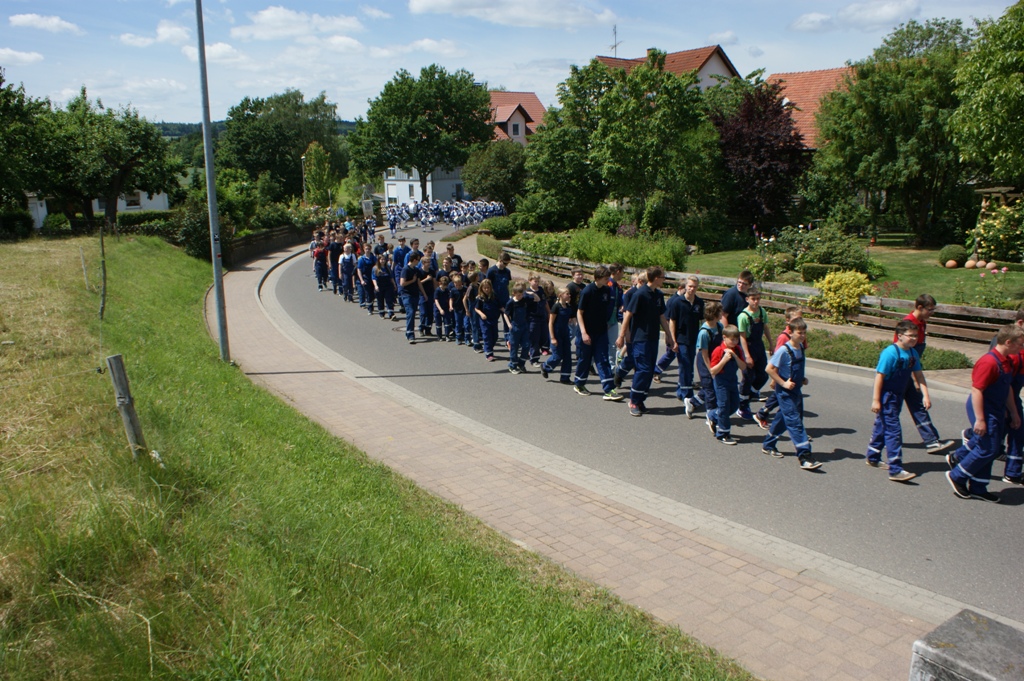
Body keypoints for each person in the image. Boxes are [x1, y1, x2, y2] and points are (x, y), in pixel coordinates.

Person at [946, 324, 1024, 502]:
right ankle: (957, 475)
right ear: (1008, 342)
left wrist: (1014, 413)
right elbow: (977, 391)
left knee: (992, 448)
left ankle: (979, 487)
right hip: (985, 410)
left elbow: (1008, 389)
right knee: (988, 448)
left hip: (997, 409)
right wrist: (980, 419)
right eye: (1020, 344)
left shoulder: (1007, 361)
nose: (1022, 348)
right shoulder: (989, 362)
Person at [865, 319, 932, 483]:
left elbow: (919, 375)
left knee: (882, 425)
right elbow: (879, 377)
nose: (914, 339)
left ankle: (873, 457)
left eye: (916, 336)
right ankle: (895, 469)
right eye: (911, 336)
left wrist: (925, 395)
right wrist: (876, 400)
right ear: (899, 336)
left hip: (898, 395)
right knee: (893, 431)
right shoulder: (890, 353)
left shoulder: (913, 353)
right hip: (887, 396)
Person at [893, 294, 954, 453]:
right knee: (892, 410)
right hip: (901, 373)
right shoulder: (907, 324)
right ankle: (881, 440)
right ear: (920, 307)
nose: (932, 313)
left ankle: (931, 440)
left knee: (917, 405)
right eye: (930, 310)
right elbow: (899, 351)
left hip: (911, 370)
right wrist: (911, 376)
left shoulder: (922, 323)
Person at [761, 318, 821, 470]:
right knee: (795, 422)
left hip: (796, 391)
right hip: (785, 393)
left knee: (783, 419)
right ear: (790, 332)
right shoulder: (784, 350)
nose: (803, 336)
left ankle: (768, 444)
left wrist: (802, 378)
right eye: (799, 333)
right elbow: (769, 369)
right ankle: (805, 456)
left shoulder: (800, 347)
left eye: (804, 333)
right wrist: (783, 383)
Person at [617, 266, 675, 417]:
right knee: (642, 369)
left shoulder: (658, 295)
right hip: (640, 338)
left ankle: (641, 400)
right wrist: (622, 335)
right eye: (663, 277)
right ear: (655, 278)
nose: (664, 280)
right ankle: (634, 401)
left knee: (649, 371)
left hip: (653, 337)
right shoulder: (640, 294)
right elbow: (628, 315)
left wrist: (669, 336)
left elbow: (662, 316)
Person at [655, 276, 704, 415]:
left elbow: (701, 321)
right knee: (685, 366)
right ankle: (687, 394)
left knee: (689, 365)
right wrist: (673, 339)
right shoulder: (677, 302)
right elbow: (672, 321)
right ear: (685, 287)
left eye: (694, 286)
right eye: (690, 286)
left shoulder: (699, 303)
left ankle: (680, 390)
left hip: (692, 338)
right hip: (681, 338)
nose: (692, 289)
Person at [573, 265, 622, 401]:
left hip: (601, 331)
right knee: (585, 359)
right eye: (606, 278)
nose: (608, 280)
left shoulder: (606, 290)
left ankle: (609, 389)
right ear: (598, 278)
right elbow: (579, 312)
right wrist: (584, 333)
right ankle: (579, 384)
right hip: (587, 331)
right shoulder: (587, 291)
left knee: (603, 359)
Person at [755, 306, 807, 430]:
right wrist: (775, 380)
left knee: (781, 400)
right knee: (791, 403)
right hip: (784, 378)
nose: (799, 321)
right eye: (796, 318)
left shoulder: (800, 337)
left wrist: (801, 377)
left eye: (801, 318)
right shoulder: (784, 338)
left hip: (794, 379)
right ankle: (798, 431)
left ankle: (763, 415)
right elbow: (776, 361)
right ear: (788, 321)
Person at [709, 325, 749, 445]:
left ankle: (713, 415)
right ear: (724, 337)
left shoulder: (737, 350)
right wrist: (724, 360)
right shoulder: (718, 351)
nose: (735, 342)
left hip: (732, 381)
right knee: (724, 406)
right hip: (721, 382)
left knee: (734, 405)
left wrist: (735, 356)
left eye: (736, 339)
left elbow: (743, 367)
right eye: (732, 339)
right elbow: (713, 371)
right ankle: (723, 434)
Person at [737, 286, 772, 417]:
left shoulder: (762, 312)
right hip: (748, 346)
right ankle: (742, 405)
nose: (756, 301)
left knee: (763, 375)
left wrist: (771, 344)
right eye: (753, 299)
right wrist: (747, 355)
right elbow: (742, 337)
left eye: (758, 299)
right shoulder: (743, 316)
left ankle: (749, 395)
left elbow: (766, 328)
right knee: (748, 377)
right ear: (747, 299)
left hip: (759, 346)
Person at [695, 302, 724, 425]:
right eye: (720, 312)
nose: (722, 314)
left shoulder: (719, 326)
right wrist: (711, 370)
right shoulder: (704, 333)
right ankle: (711, 416)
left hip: (715, 360)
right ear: (715, 314)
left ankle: (692, 402)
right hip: (705, 362)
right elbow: (704, 354)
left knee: (710, 387)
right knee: (710, 390)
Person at [541, 287, 574, 384]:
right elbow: (551, 323)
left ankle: (565, 377)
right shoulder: (556, 307)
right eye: (567, 294)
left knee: (567, 356)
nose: (569, 295)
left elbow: (571, 318)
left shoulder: (568, 306)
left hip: (565, 334)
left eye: (569, 293)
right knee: (557, 356)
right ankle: (545, 366)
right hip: (556, 334)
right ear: (560, 295)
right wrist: (552, 338)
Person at [504, 281, 536, 373]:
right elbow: (506, 314)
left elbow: (537, 299)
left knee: (526, 345)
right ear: (514, 293)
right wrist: (509, 324)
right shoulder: (511, 302)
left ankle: (521, 363)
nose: (520, 296)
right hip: (515, 327)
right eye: (518, 295)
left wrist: (532, 293)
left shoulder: (525, 299)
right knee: (514, 347)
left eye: (521, 295)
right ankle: (512, 365)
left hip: (524, 326)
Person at [400, 252, 425, 344]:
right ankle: (411, 335)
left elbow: (418, 282)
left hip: (415, 295)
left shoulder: (416, 270)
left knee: (413, 314)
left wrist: (424, 294)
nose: (419, 262)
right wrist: (412, 280)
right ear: (414, 260)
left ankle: (408, 332)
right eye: (418, 260)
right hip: (407, 295)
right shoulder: (405, 269)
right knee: (410, 313)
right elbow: (402, 283)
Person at [475, 279, 503, 361]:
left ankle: (489, 347)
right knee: (487, 336)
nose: (486, 289)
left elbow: (500, 306)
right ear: (481, 288)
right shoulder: (480, 298)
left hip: (494, 319)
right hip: (485, 321)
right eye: (485, 288)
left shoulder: (494, 296)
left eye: (488, 287)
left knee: (495, 336)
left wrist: (506, 312)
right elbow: (476, 309)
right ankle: (489, 354)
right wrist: (482, 314)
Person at [372, 255, 396, 320]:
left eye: (384, 259)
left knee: (389, 300)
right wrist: (376, 286)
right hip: (379, 286)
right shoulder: (375, 268)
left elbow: (391, 277)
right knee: (380, 300)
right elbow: (374, 278)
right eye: (381, 259)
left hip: (388, 286)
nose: (383, 261)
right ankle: (381, 313)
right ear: (378, 260)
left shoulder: (387, 268)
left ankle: (391, 314)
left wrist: (394, 285)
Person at [450, 273, 469, 345]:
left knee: (466, 324)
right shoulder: (453, 290)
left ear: (461, 283)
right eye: (456, 284)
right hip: (457, 309)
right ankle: (458, 338)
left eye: (459, 284)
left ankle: (467, 339)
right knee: (458, 324)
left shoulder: (465, 289)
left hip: (465, 309)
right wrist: (451, 306)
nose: (457, 286)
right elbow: (451, 299)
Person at [434, 275, 452, 340]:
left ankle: (447, 335)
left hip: (446, 308)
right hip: (438, 309)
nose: (444, 287)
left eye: (446, 285)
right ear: (440, 283)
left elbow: (449, 298)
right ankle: (439, 336)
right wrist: (440, 309)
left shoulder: (447, 290)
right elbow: (436, 300)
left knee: (447, 322)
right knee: (438, 323)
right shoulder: (437, 290)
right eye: (443, 285)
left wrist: (450, 306)